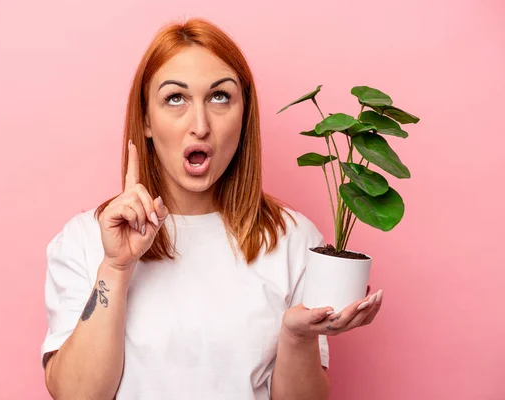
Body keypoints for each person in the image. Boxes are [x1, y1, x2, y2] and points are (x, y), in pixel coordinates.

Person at [40, 18, 382, 400]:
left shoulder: (294, 240)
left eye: (220, 97)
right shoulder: (84, 239)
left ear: (244, 113)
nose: (199, 125)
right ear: (146, 120)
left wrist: (297, 336)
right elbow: (74, 395)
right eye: (175, 98)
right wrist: (116, 268)